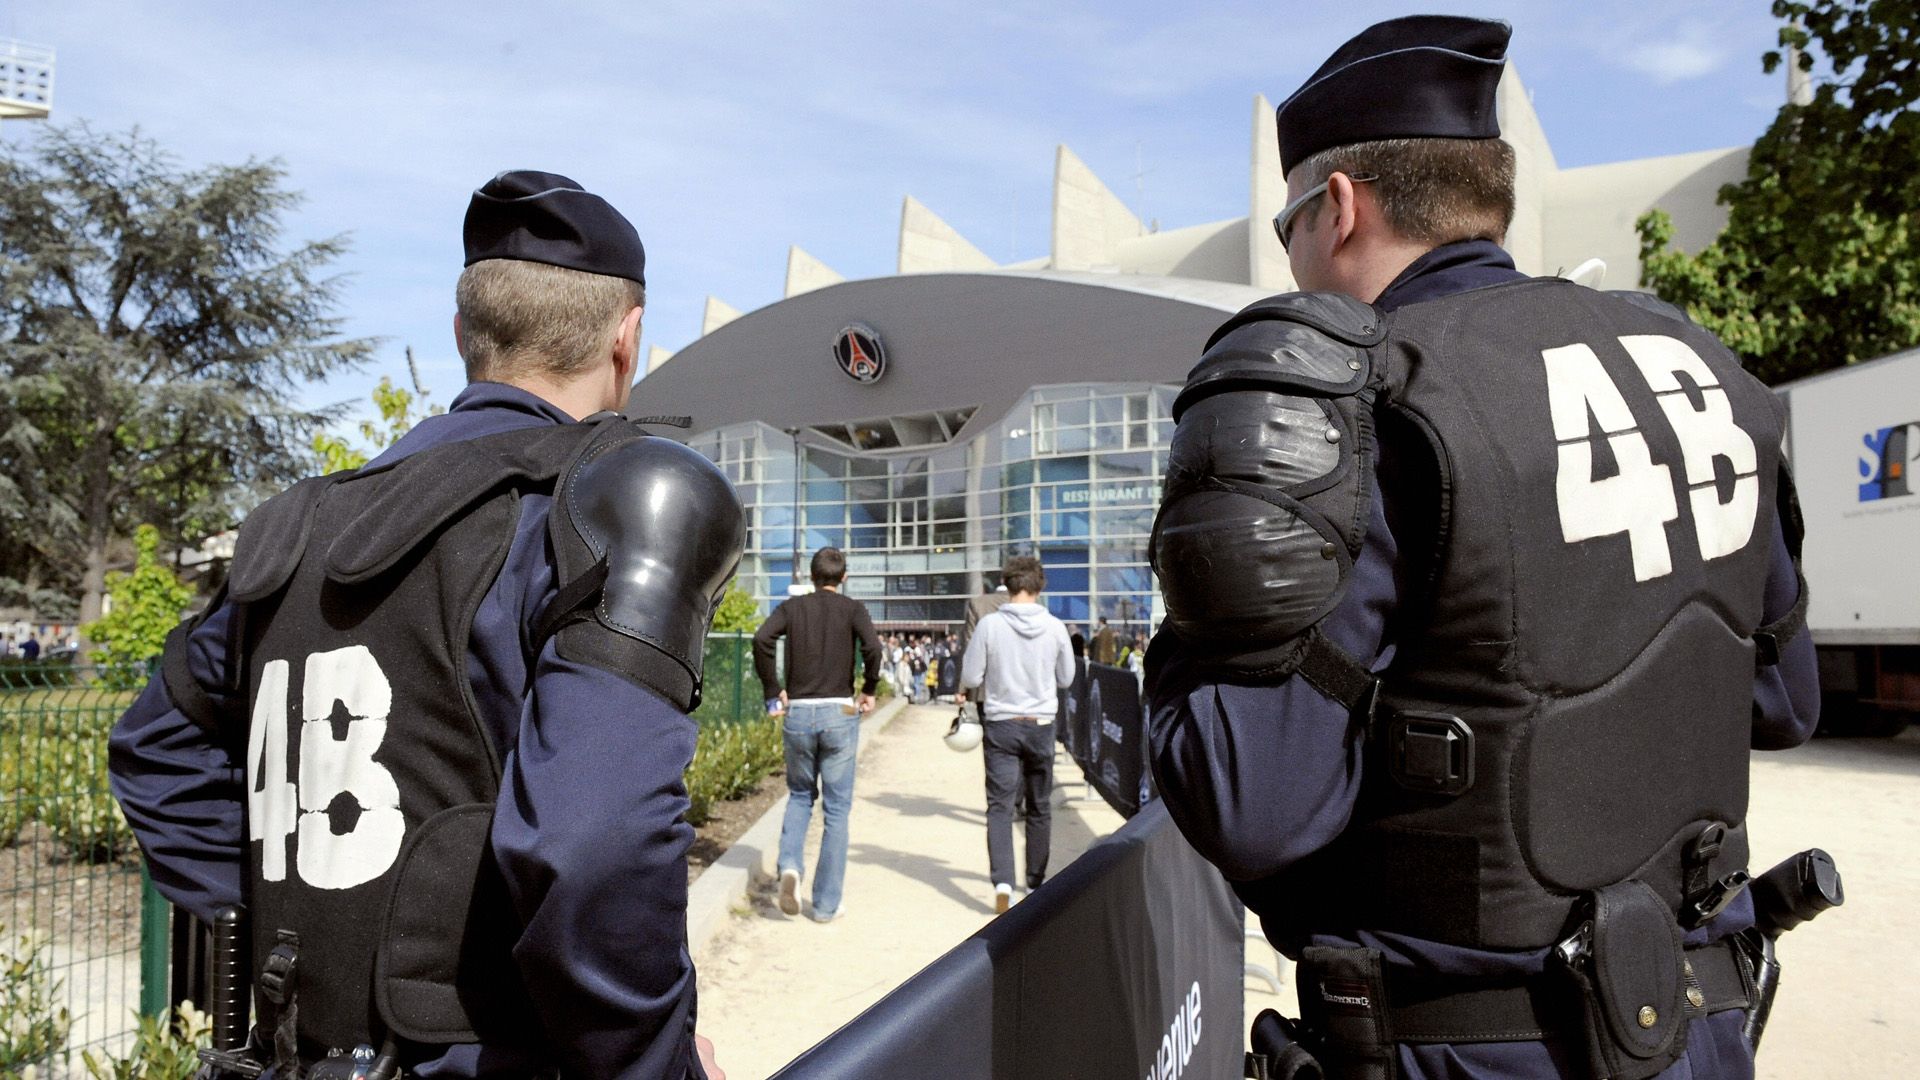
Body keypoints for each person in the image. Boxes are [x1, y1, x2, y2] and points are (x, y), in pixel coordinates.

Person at [1147, 17, 1819, 1080]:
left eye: (1286, 225)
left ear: (1339, 206)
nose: (1290, 255)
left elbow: (1251, 802)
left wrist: (1202, 612)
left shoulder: (1367, 401)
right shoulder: (1703, 372)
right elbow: (1784, 703)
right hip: (1702, 1028)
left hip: (1474, 1045)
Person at [109, 170, 740, 1080]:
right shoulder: (604, 501)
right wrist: (660, 1065)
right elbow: (591, 846)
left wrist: (309, 920)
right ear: (626, 336)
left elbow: (156, 749)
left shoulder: (300, 524)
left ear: (462, 335)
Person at [753, 547, 883, 923]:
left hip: (798, 712)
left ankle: (790, 866)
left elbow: (762, 640)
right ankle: (825, 905)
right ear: (844, 578)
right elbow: (873, 648)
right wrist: (869, 688)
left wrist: (772, 689)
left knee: (799, 796)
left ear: (811, 577)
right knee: (836, 810)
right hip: (840, 712)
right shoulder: (853, 609)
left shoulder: (792, 608)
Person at [958, 556, 1074, 914]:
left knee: (999, 806)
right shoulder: (1055, 627)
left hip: (1001, 723)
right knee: (1040, 806)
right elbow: (1067, 677)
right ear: (1040, 586)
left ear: (1007, 585)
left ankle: (1003, 884)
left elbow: (971, 676)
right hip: (1040, 723)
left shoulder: (990, 626)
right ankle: (1035, 882)